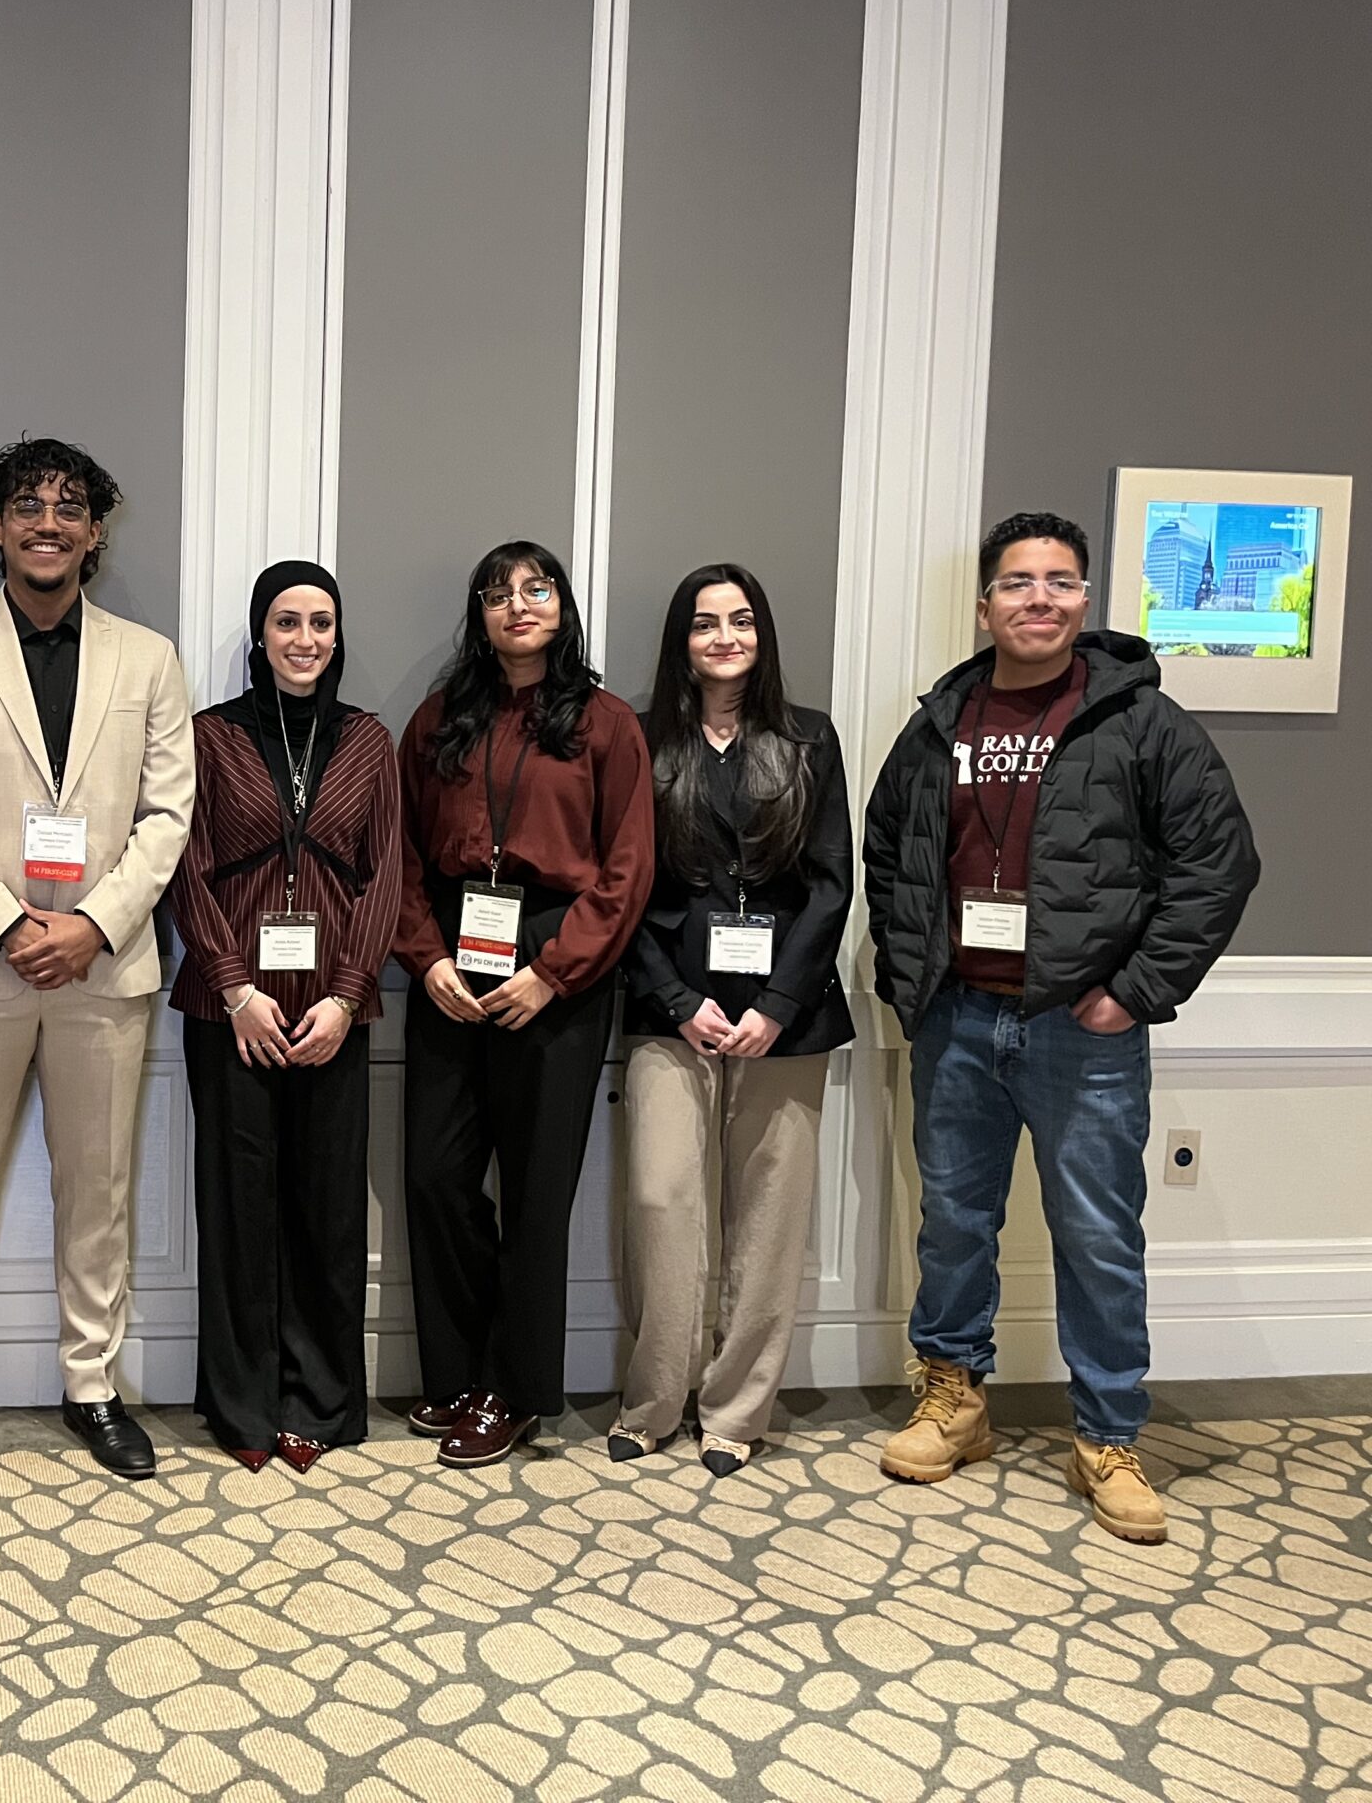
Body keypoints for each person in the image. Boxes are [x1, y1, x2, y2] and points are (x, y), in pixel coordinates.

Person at [863, 510, 1256, 1543]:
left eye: (1060, 581)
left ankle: (1109, 1436)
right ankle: (954, 1400)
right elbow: (889, 850)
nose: (1038, 598)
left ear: (1084, 601)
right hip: (957, 1022)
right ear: (985, 602)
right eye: (1017, 581)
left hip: (1083, 1034)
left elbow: (1218, 865)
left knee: (1095, 1236)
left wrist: (1130, 991)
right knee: (953, 1224)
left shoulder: (1140, 722)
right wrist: (916, 979)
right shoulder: (937, 723)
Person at [0, 437, 195, 1486]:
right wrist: (11, 925)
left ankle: (92, 1387)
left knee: (97, 1189)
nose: (48, 523)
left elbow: (167, 814)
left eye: (70, 507)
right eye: (28, 505)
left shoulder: (148, 660)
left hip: (105, 971)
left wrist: (93, 924)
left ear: (95, 531)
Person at [393, 541, 654, 1467]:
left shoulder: (607, 723)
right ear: (480, 614)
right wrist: (424, 961)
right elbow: (402, 862)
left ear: (561, 605)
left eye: (535, 589)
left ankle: (513, 1389)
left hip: (559, 969)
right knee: (435, 1176)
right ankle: (459, 1374)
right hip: (451, 966)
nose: (517, 606)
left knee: (536, 1194)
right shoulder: (436, 722)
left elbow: (626, 870)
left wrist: (554, 972)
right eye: (498, 593)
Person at [615, 565, 852, 1477]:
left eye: (742, 620)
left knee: (768, 1217)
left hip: (785, 1018)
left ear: (763, 634)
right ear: (682, 638)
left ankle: (737, 1411)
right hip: (667, 1009)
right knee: (662, 1200)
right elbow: (623, 884)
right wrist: (680, 1003)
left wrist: (777, 1004)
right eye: (707, 622)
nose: (725, 637)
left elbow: (832, 883)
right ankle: (654, 1399)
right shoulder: (643, 743)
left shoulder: (807, 739)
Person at [168, 562, 400, 1473]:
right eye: (287, 622)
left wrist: (345, 995)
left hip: (335, 1014)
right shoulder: (210, 738)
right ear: (260, 636)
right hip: (231, 1011)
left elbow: (386, 875)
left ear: (338, 637)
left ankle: (321, 1400)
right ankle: (243, 1405)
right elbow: (186, 866)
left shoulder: (369, 743)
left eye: (321, 623)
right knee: (237, 1208)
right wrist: (235, 988)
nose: (305, 639)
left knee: (328, 1213)